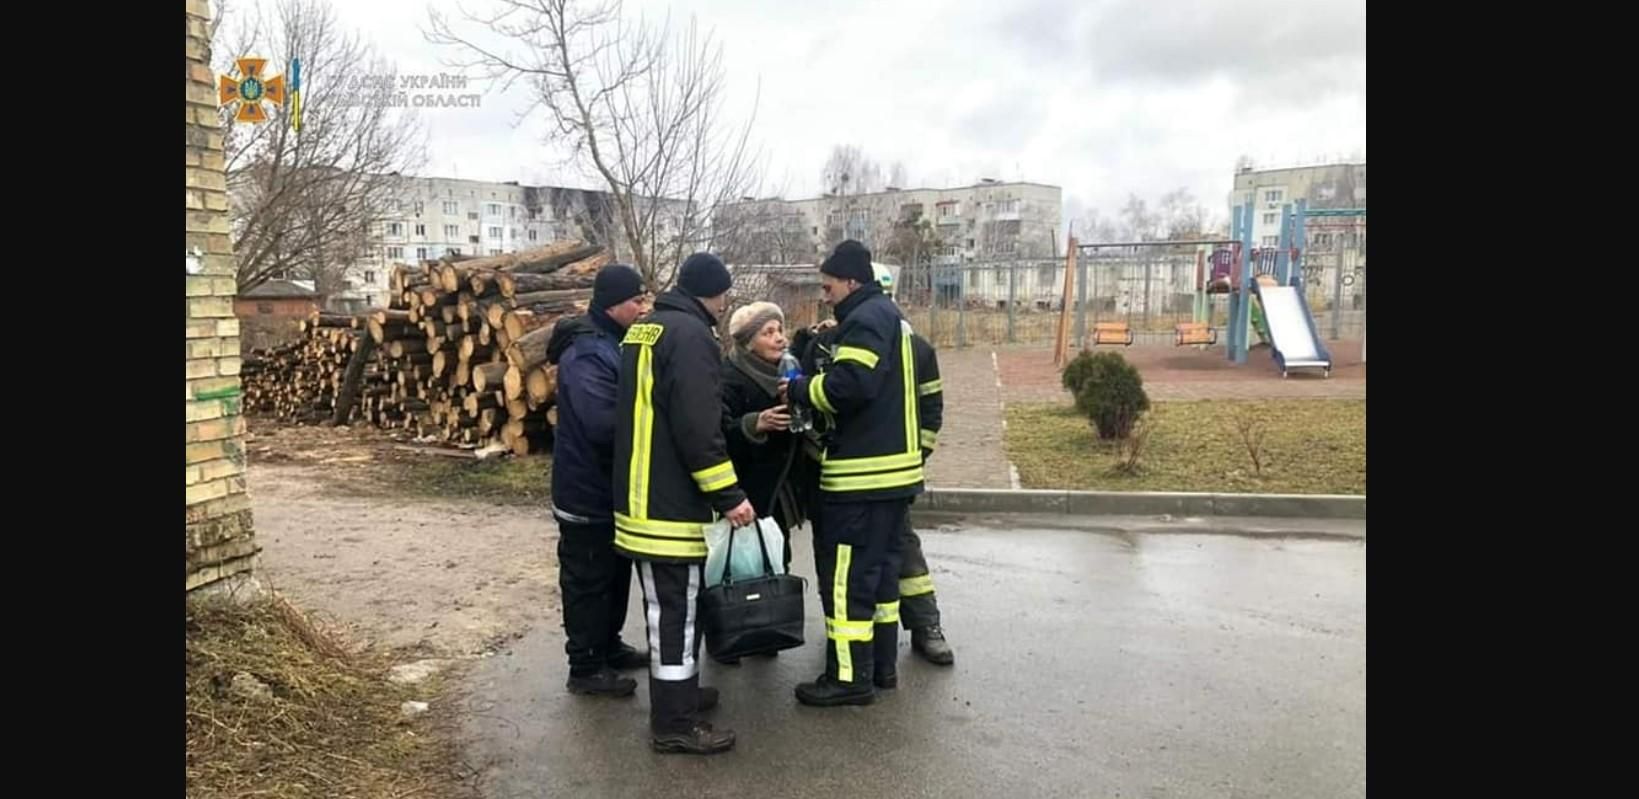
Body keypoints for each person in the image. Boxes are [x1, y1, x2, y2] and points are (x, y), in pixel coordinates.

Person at [612, 252, 756, 755]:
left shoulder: (645, 330)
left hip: (641, 496)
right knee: (675, 615)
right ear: (714, 295)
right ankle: (674, 722)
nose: (723, 306)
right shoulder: (693, 336)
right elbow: (699, 427)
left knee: (675, 610)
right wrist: (730, 495)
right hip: (668, 508)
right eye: (723, 297)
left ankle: (682, 693)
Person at [784, 240, 923, 706]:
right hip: (892, 475)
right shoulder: (894, 320)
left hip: (860, 479)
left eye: (828, 286)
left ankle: (847, 679)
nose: (826, 295)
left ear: (852, 281)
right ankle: (881, 668)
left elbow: (851, 385)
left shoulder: (864, 320)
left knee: (846, 580)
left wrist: (801, 389)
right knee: (881, 578)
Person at [546, 264, 651, 697]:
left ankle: (608, 645)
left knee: (614, 573)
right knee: (588, 579)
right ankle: (585, 666)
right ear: (613, 304)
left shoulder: (615, 341)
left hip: (609, 489)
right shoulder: (588, 352)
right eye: (636, 301)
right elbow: (602, 423)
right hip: (586, 490)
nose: (644, 308)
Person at [871, 263, 956, 666]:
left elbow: (931, 408)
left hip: (893, 477)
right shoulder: (840, 341)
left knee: (904, 550)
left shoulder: (917, 348)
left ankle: (926, 626)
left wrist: (915, 456)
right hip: (841, 476)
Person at [719, 301, 808, 574]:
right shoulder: (728, 378)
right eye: (767, 332)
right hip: (748, 495)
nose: (780, 338)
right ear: (748, 343)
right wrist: (754, 424)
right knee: (749, 571)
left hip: (781, 490)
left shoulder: (790, 371)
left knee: (779, 560)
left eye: (780, 330)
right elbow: (717, 435)